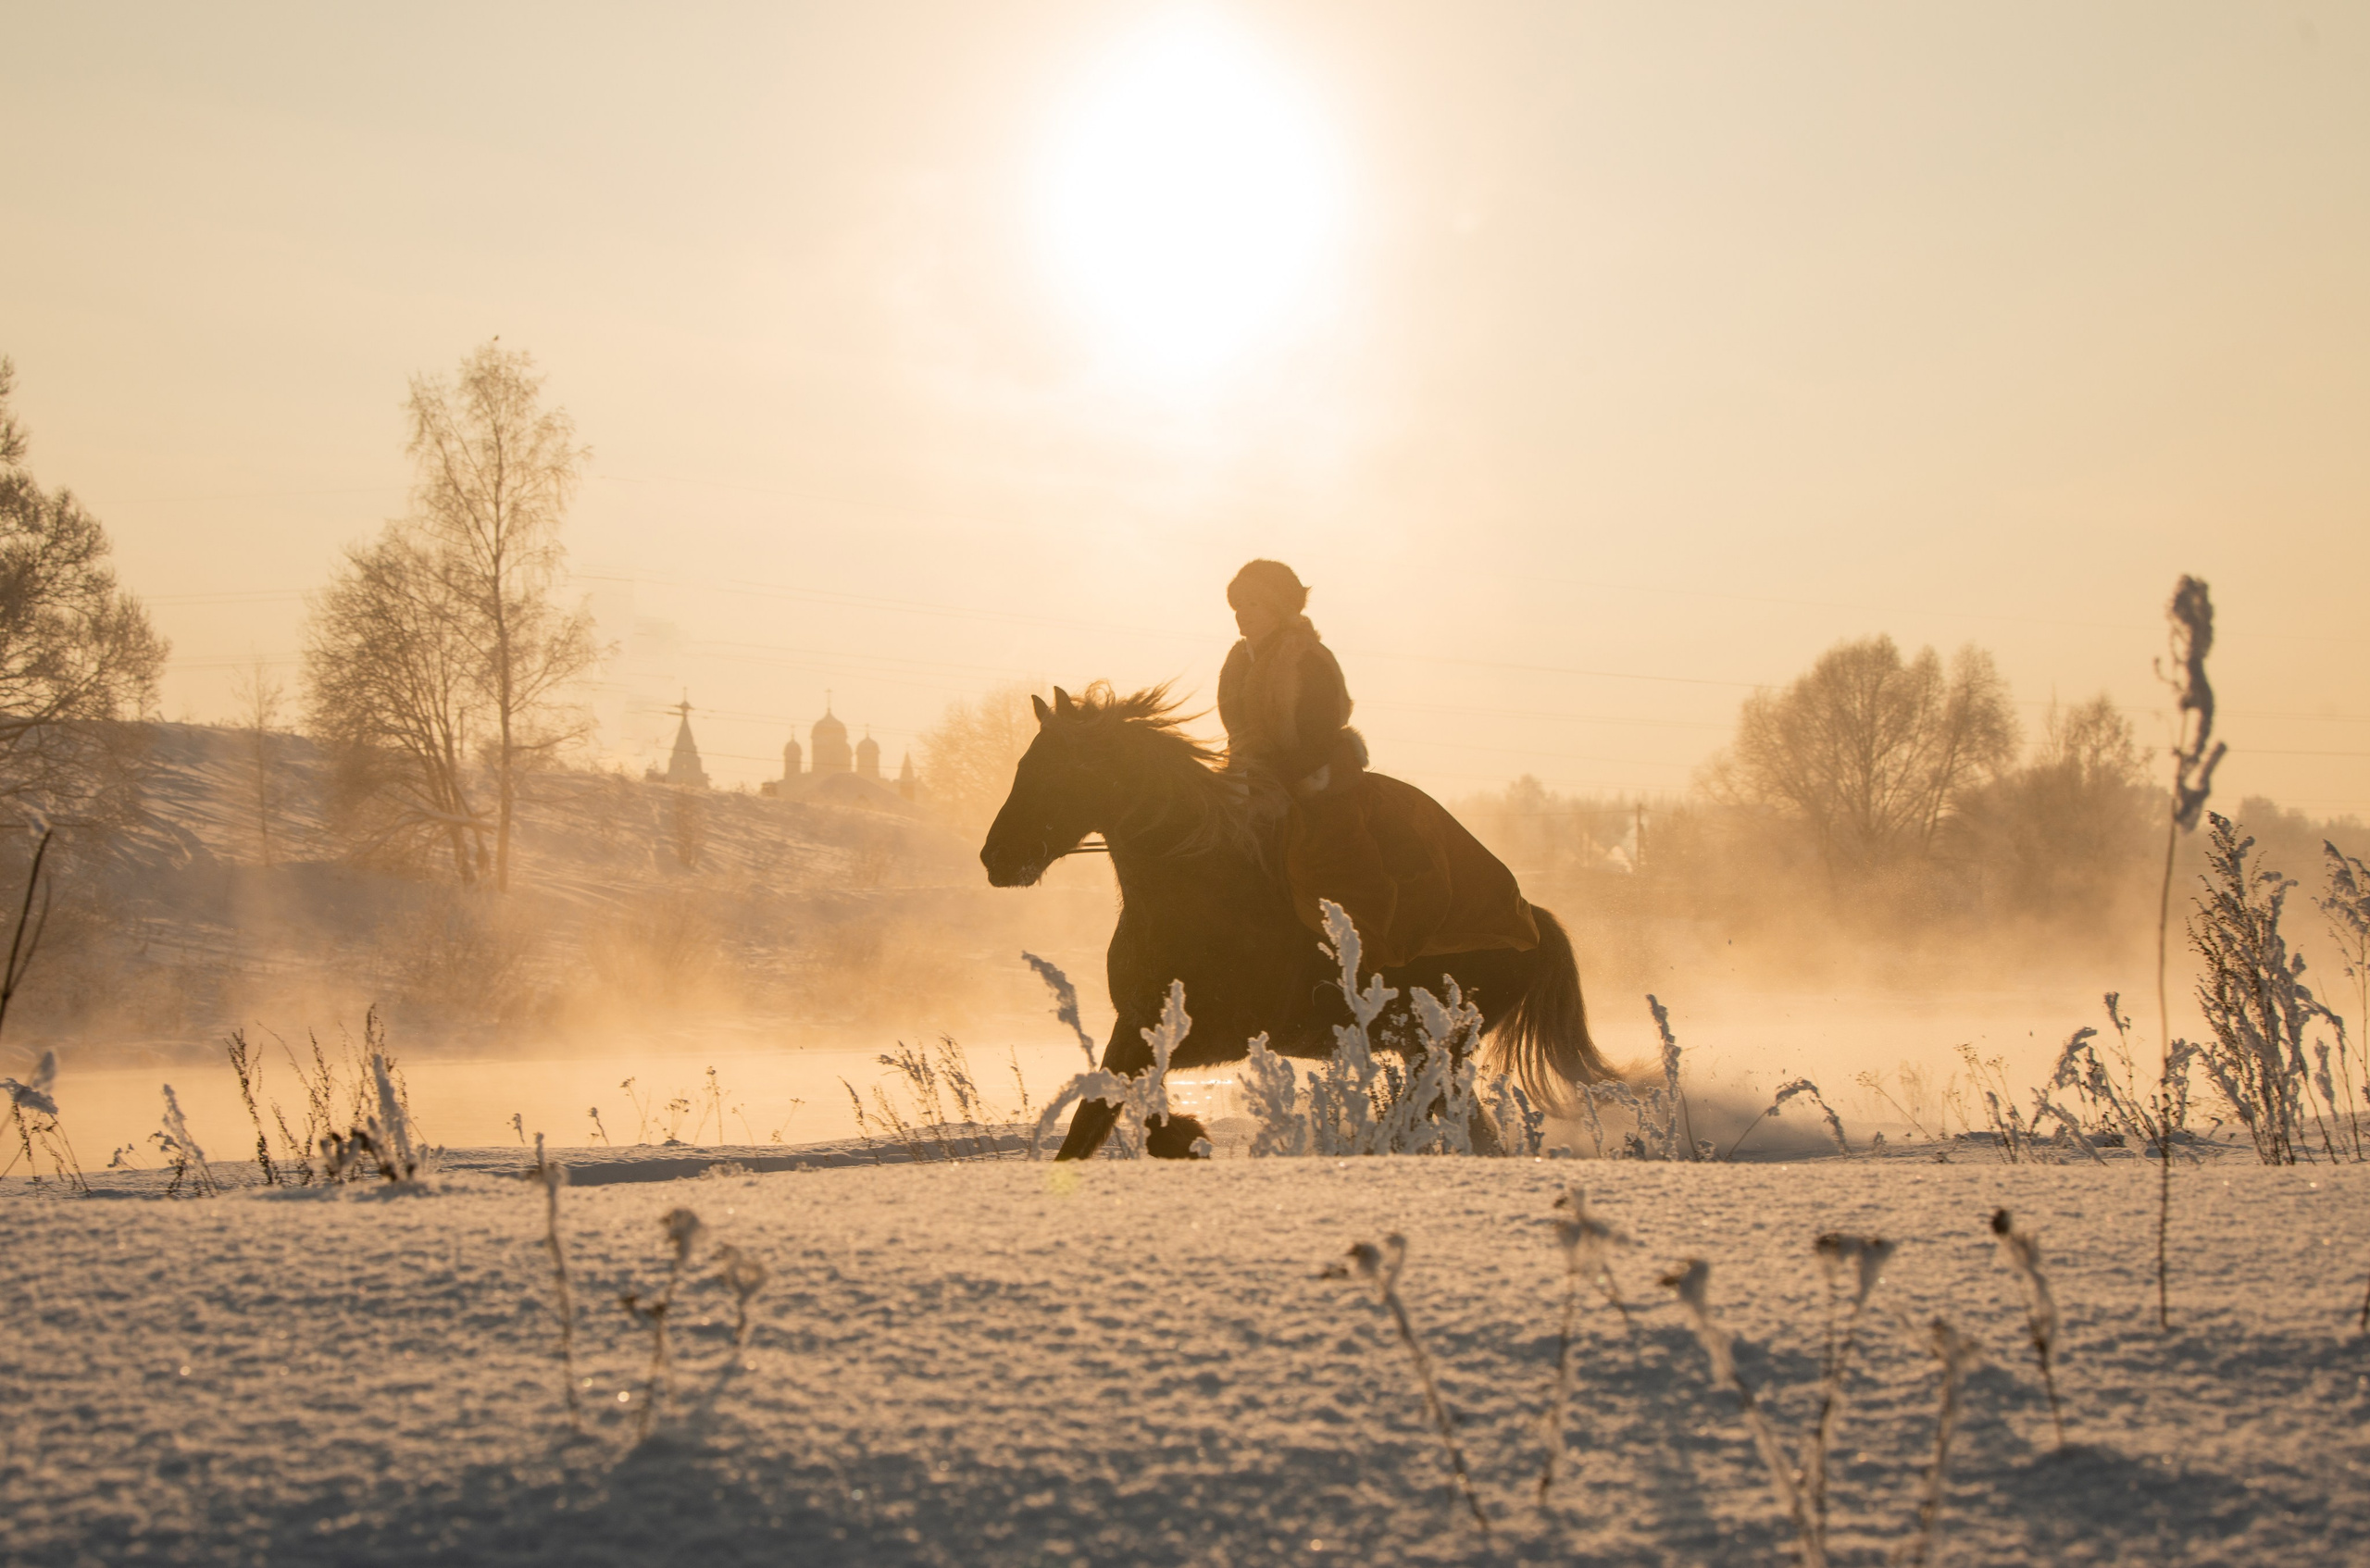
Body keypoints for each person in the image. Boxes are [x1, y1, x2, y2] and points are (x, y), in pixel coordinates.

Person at [1216, 559, 1538, 969]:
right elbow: (1238, 730)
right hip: (1253, 780)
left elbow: (1320, 729)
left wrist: (1278, 779)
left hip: (1315, 780)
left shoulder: (1309, 658)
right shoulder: (1237, 660)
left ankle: (1364, 959)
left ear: (1281, 608)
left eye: (1254, 603)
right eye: (1238, 605)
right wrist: (1239, 779)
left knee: (1329, 865)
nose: (1243, 614)